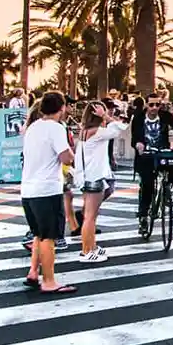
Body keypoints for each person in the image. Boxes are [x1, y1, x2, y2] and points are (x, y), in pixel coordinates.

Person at [20, 92, 77, 294]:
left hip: (28, 189)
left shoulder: (33, 127)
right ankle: (49, 280)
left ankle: (33, 272)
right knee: (49, 237)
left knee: (38, 234)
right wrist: (72, 152)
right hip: (47, 189)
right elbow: (65, 158)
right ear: (61, 108)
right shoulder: (56, 128)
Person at [129, 91, 173, 234]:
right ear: (146, 105)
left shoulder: (165, 116)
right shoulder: (139, 118)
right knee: (147, 186)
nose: (154, 108)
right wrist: (138, 145)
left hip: (162, 153)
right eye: (151, 105)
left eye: (158, 104)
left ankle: (167, 189)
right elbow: (135, 138)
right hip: (145, 156)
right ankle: (144, 217)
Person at [74, 101, 124, 263]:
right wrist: (106, 116)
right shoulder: (98, 132)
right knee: (90, 217)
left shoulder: (84, 132)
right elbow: (120, 128)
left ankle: (91, 246)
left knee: (91, 216)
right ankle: (86, 251)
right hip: (95, 178)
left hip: (87, 177)